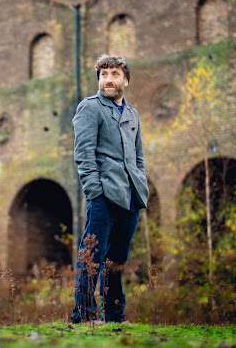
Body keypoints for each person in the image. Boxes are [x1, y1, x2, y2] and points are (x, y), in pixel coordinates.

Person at [71, 54, 149, 323]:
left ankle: (115, 316)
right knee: (91, 257)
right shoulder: (90, 108)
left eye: (115, 74)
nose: (108, 79)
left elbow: (138, 157)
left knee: (116, 261)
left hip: (131, 198)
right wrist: (95, 190)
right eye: (104, 74)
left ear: (125, 80)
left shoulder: (132, 114)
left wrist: (141, 185)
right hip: (103, 195)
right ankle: (84, 314)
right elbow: (83, 153)